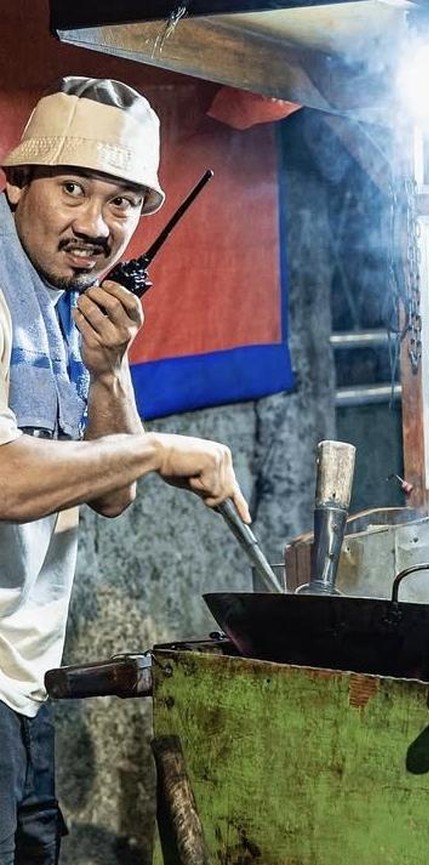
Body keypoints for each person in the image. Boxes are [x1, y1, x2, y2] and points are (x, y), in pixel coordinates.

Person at [0, 76, 250, 864]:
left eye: (122, 203)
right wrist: (161, 445)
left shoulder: (70, 298)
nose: (95, 225)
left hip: (21, 676)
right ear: (14, 184)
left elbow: (111, 495)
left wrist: (108, 375)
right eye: (73, 189)